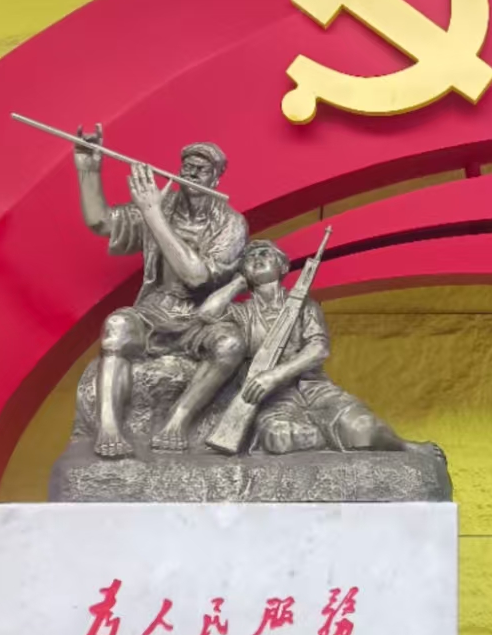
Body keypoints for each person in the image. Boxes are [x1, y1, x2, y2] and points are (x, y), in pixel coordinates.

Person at [72, 128, 249, 456]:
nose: (191, 173)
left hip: (201, 317)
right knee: (116, 327)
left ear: (215, 179)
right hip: (154, 310)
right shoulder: (161, 204)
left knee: (231, 344)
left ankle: (178, 421)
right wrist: (88, 170)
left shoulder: (232, 224)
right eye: (187, 166)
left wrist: (152, 214)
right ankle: (108, 429)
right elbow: (101, 222)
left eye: (201, 169)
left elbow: (196, 277)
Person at [198, 239, 407, 455]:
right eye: (250, 257)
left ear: (283, 268)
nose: (257, 258)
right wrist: (239, 283)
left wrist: (275, 375)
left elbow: (318, 348)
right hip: (273, 398)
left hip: (315, 388)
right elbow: (206, 313)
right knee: (279, 437)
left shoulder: (305, 305)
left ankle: (405, 447)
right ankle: (332, 438)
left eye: (265, 254)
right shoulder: (243, 312)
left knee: (366, 428)